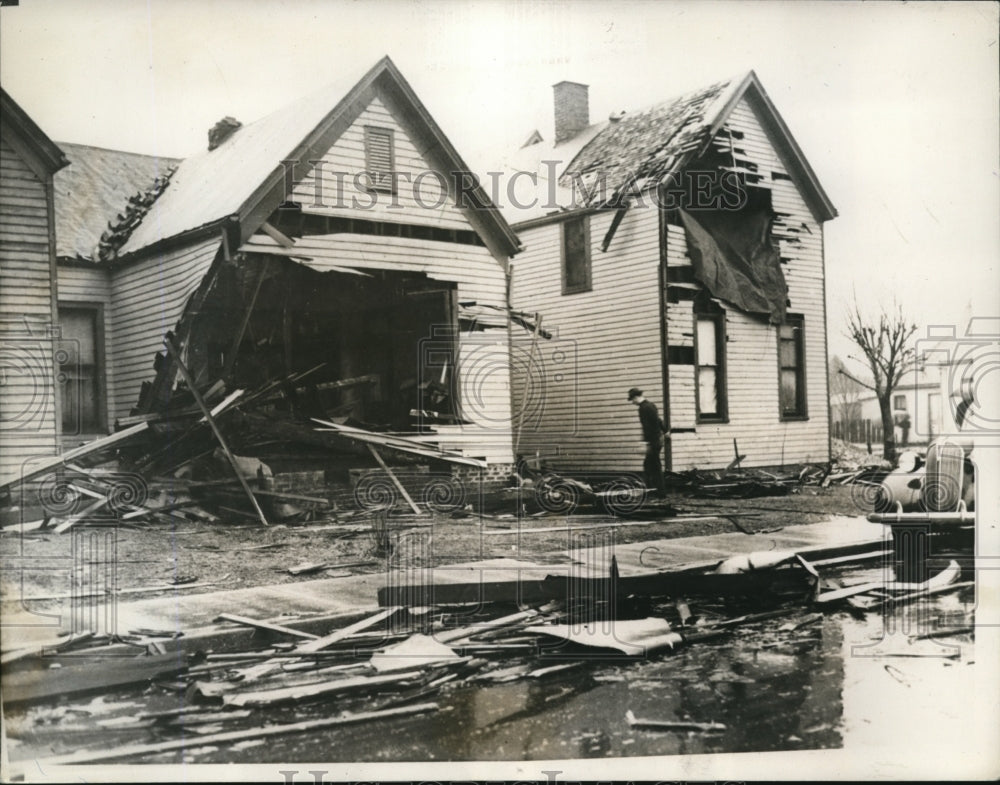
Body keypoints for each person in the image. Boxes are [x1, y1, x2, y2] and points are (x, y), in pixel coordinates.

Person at [628, 387, 665, 495]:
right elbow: (658, 420)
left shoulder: (643, 408)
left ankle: (660, 492)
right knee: (649, 465)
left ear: (636, 397)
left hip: (652, 441)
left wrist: (647, 443)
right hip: (657, 440)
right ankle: (653, 490)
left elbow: (647, 427)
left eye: (632, 400)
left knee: (654, 466)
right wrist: (665, 430)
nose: (633, 402)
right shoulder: (651, 405)